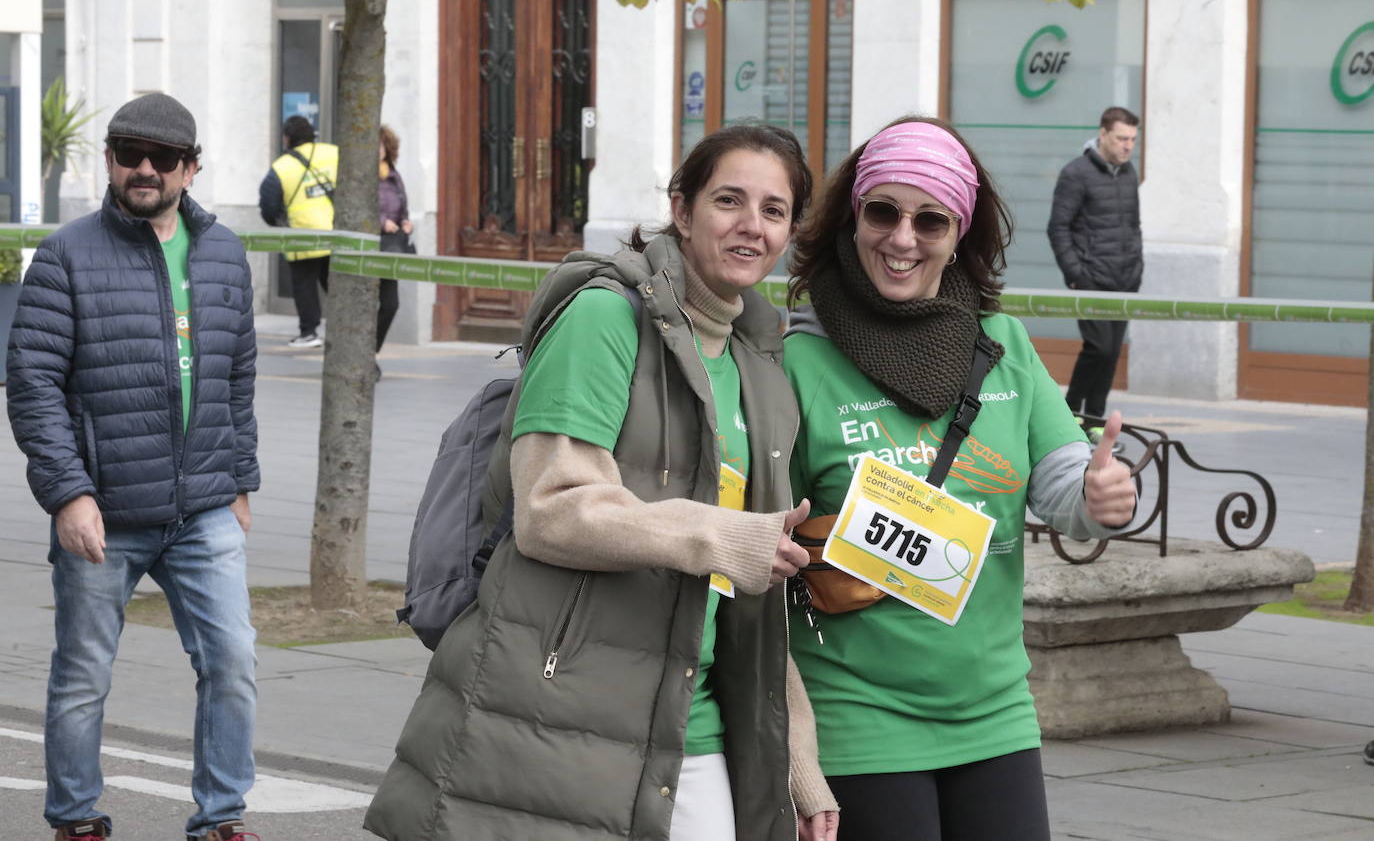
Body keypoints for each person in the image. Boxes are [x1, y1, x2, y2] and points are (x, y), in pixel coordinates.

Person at [364, 123, 840, 841]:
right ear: (682, 210)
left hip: (695, 723)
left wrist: (798, 766)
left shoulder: (760, 363)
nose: (752, 226)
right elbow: (552, 508)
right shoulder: (605, 317)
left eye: (774, 211)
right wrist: (717, 534)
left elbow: (749, 600)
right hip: (561, 714)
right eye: (729, 201)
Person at [783, 116, 1137, 840]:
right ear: (854, 214)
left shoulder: (1000, 340)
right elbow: (759, 533)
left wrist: (1101, 497)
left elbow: (1062, 479)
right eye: (883, 211)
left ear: (959, 232)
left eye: (930, 220)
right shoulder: (795, 358)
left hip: (995, 707)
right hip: (857, 710)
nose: (902, 238)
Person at [6, 93, 260, 841]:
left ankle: (221, 820)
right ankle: (76, 819)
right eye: (127, 153)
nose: (143, 168)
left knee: (233, 662)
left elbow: (238, 374)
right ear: (110, 161)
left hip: (204, 509)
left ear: (191, 168)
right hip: (102, 512)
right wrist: (68, 493)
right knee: (83, 677)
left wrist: (240, 481)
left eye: (162, 157)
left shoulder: (225, 254)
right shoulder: (64, 255)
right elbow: (32, 383)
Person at [1047, 106, 1143, 426]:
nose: (1127, 146)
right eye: (1121, 138)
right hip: (1092, 279)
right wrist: (1076, 274)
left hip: (1125, 279)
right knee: (1098, 349)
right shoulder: (1076, 173)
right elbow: (1058, 227)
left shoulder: (1129, 174)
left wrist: (1136, 266)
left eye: (1132, 139)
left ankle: (1095, 424)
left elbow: (1132, 225)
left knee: (1112, 353)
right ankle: (1070, 416)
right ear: (1103, 134)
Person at [259, 114, 337, 348]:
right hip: (336, 233)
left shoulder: (281, 167)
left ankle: (309, 332)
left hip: (302, 236)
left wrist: (277, 223)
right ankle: (343, 327)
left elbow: (269, 204)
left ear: (287, 139)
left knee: (304, 285)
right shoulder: (334, 153)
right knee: (334, 283)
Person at [375, 124, 413, 365]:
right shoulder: (360, 176)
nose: (376, 150)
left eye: (379, 145)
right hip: (369, 246)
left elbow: (402, 206)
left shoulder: (393, 175)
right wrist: (381, 222)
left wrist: (405, 222)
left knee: (391, 304)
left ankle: (371, 351)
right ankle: (366, 358)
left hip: (390, 247)